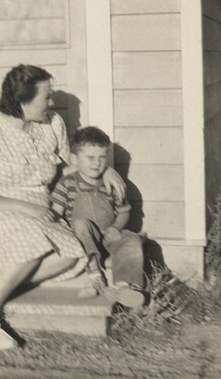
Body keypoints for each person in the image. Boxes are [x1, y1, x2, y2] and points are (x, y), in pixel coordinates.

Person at [0, 64, 126, 350]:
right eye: (45, 97)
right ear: (22, 101)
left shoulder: (52, 125)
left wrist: (104, 171)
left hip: (39, 213)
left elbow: (67, 167)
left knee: (72, 254)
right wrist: (24, 208)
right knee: (33, 240)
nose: (51, 104)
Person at [49, 126, 146, 307]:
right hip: (82, 238)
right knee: (80, 224)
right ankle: (95, 276)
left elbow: (124, 211)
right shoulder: (67, 183)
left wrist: (116, 227)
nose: (97, 163)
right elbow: (56, 214)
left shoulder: (111, 182)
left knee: (133, 240)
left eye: (102, 158)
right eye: (90, 158)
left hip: (109, 237)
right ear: (74, 159)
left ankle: (124, 286)